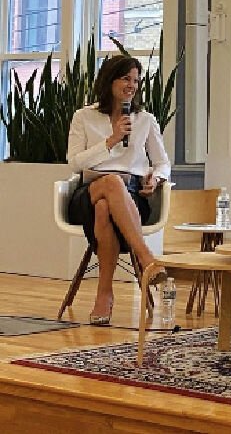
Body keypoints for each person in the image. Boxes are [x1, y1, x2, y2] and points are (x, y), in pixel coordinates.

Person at [67, 55, 171, 326]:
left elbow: (162, 163)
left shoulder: (145, 119)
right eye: (126, 78)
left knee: (106, 207)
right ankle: (146, 257)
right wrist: (111, 140)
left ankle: (104, 295)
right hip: (89, 190)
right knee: (109, 184)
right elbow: (75, 162)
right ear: (109, 80)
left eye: (136, 80)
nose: (132, 85)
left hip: (133, 195)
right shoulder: (84, 117)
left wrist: (156, 178)